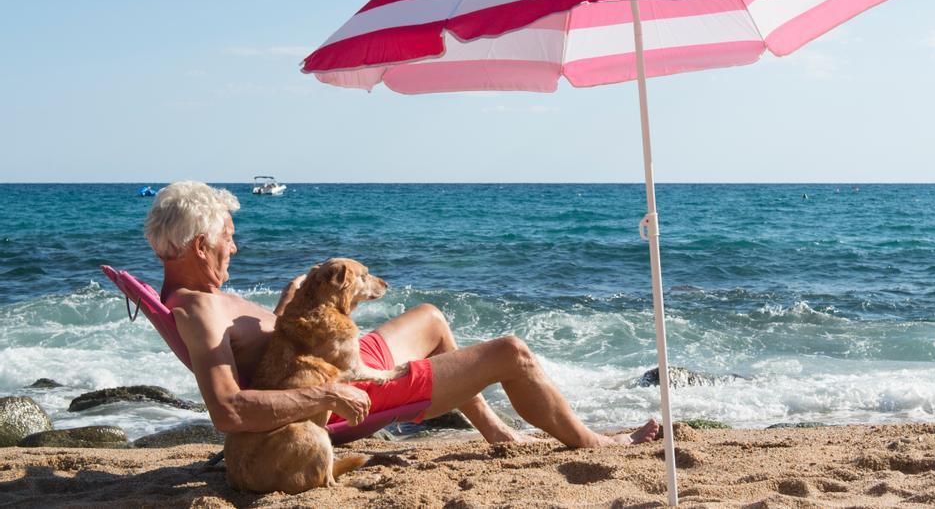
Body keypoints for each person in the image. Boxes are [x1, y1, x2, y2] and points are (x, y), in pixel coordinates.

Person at [145, 180, 659, 447]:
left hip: (329, 360)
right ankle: (594, 442)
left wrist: (287, 307)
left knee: (432, 317)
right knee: (511, 353)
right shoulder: (198, 311)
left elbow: (270, 350)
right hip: (343, 390)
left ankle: (497, 431)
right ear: (198, 243)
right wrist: (328, 394)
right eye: (227, 238)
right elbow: (229, 411)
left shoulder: (208, 299)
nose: (234, 248)